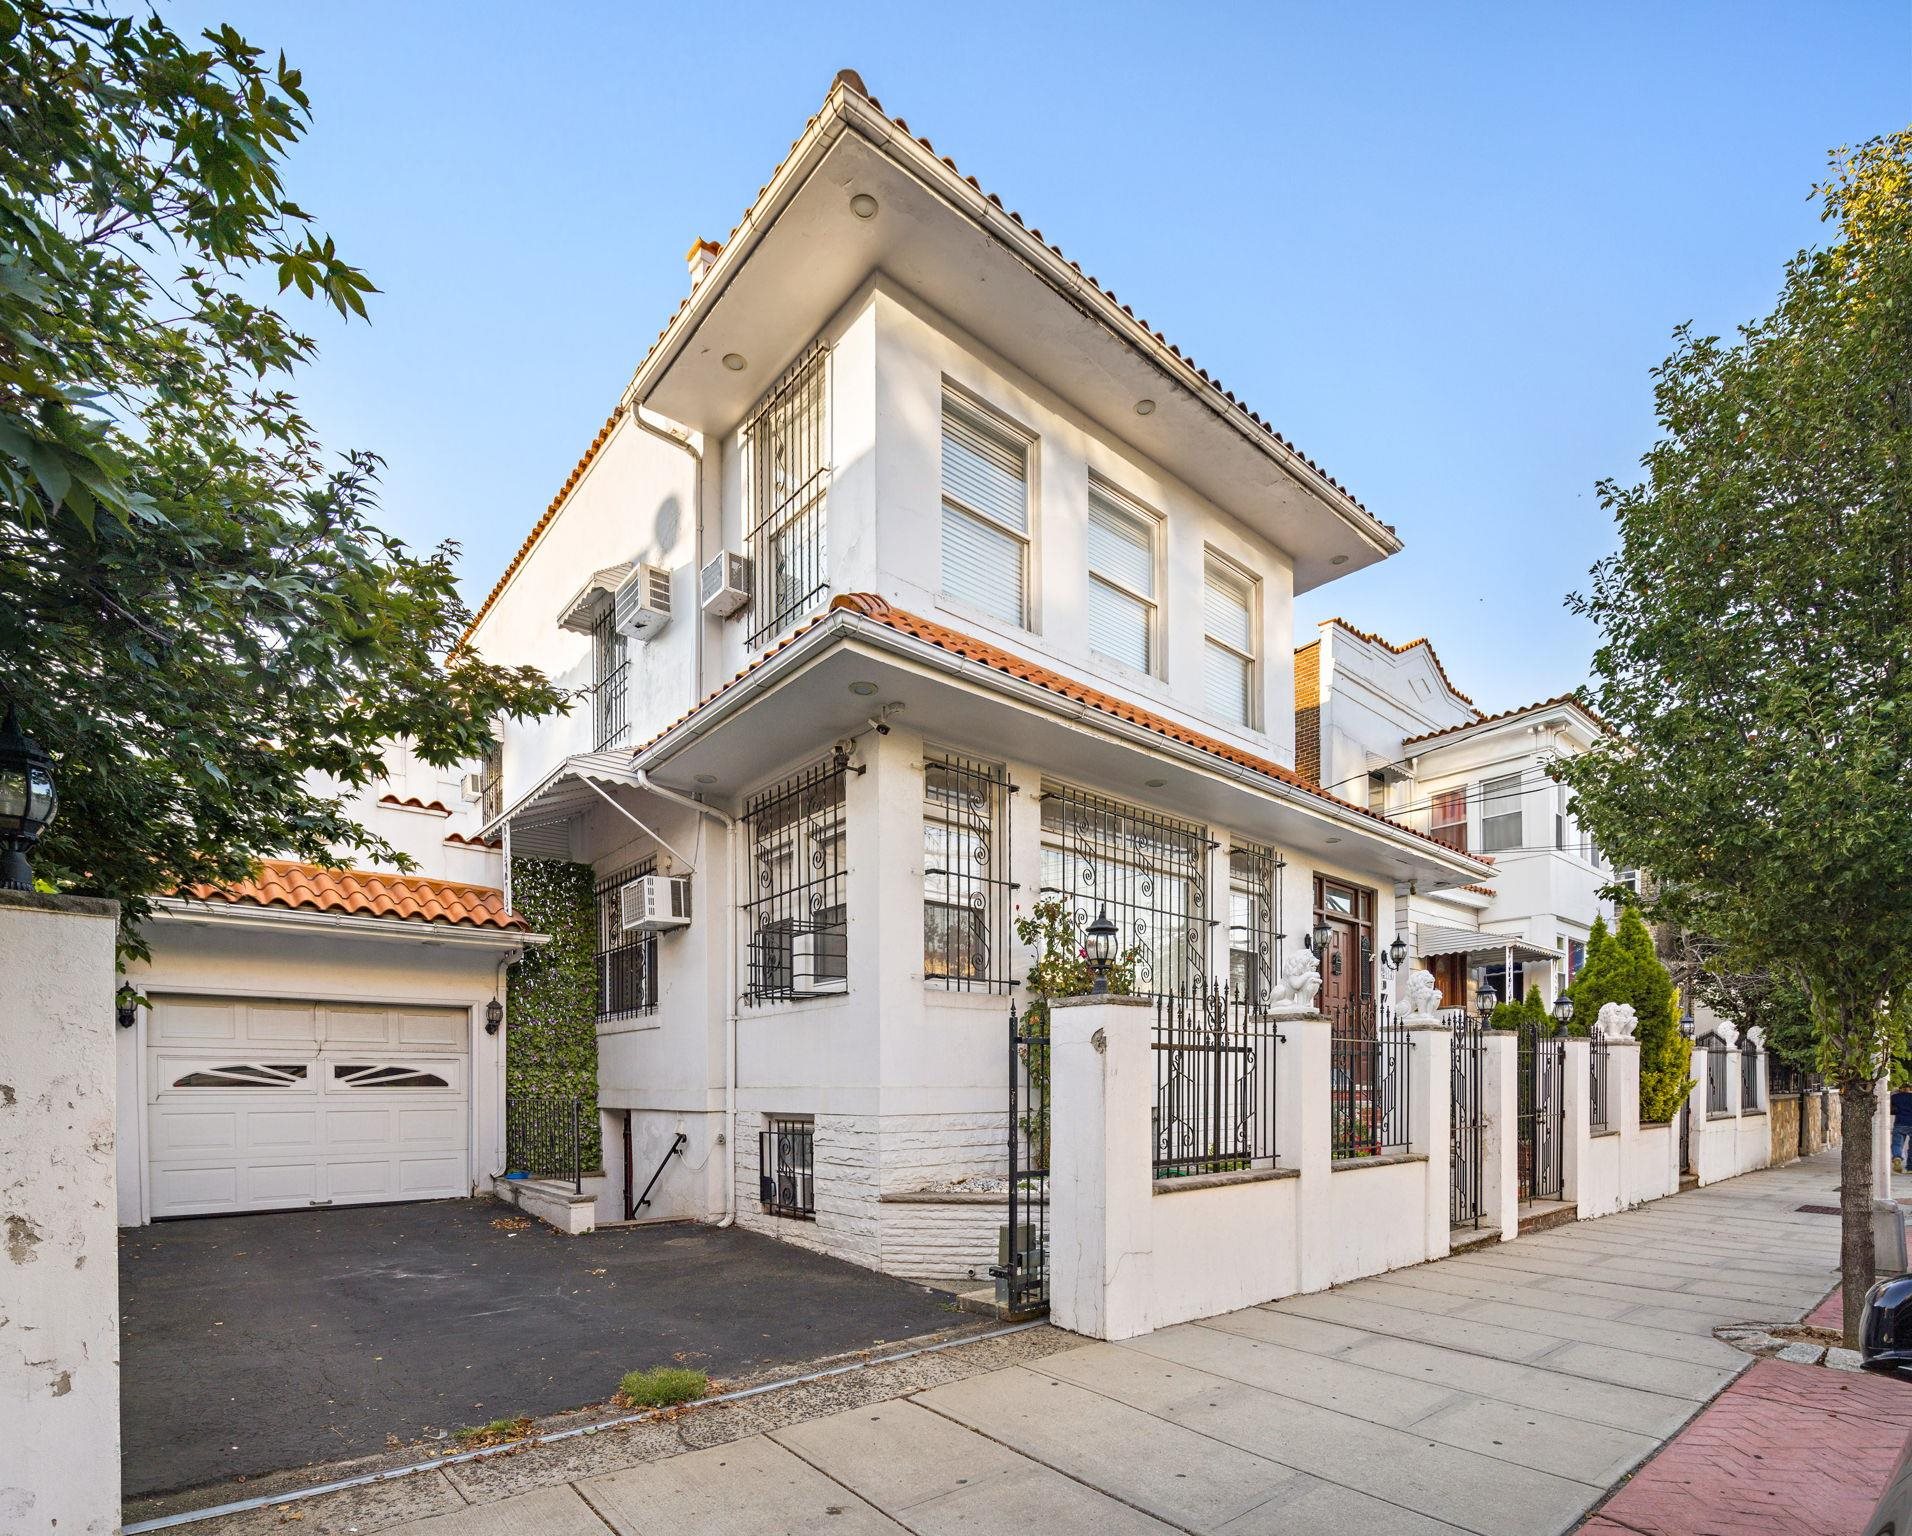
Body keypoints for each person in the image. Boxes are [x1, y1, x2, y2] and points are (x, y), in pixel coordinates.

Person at [1892, 1086, 1912, 1174]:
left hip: (1899, 1123)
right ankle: (1910, 1168)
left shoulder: (1895, 1097)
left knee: (1897, 1144)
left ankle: (1897, 1157)